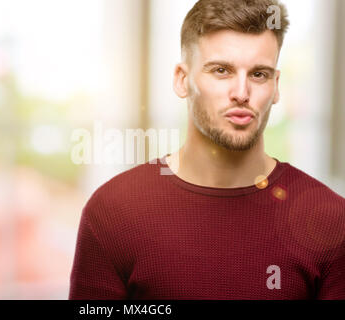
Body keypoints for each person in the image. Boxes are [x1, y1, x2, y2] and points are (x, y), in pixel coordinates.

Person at [69, 0, 345, 299]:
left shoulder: (331, 220)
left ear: (276, 86)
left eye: (259, 74)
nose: (241, 93)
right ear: (182, 79)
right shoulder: (113, 212)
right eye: (222, 70)